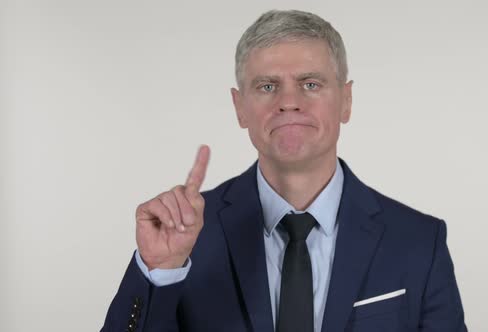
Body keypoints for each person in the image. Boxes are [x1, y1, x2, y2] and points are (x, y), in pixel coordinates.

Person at [101, 9, 467, 332]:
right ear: (239, 107)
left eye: (311, 84)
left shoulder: (419, 241)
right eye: (267, 86)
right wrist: (161, 270)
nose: (289, 102)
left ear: (347, 100)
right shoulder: (186, 237)